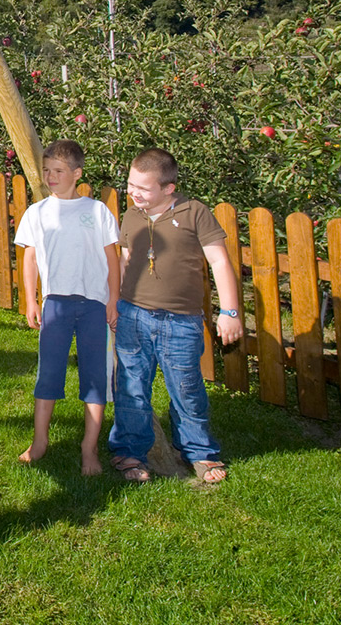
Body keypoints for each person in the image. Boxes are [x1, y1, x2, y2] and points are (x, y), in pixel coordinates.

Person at [108, 147, 242, 483]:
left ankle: (198, 451)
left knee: (186, 387)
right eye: (130, 184)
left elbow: (220, 262)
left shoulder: (195, 212)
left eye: (142, 188)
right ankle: (129, 451)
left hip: (181, 322)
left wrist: (230, 311)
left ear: (168, 188)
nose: (133, 192)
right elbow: (125, 261)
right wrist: (114, 304)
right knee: (130, 387)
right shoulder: (132, 215)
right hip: (133, 315)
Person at [13, 140, 120, 474]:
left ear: (77, 173)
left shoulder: (96, 211)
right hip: (55, 305)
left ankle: (89, 449)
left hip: (94, 307)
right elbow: (29, 256)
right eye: (46, 171)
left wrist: (114, 298)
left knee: (95, 376)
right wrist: (31, 299)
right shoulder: (38, 212)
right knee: (49, 373)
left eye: (58, 171)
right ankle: (40, 441)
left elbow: (112, 257)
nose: (50, 176)